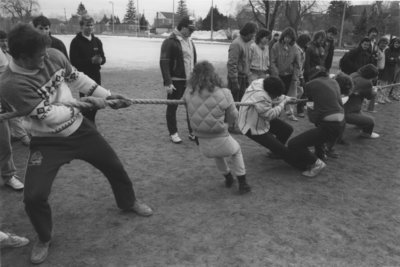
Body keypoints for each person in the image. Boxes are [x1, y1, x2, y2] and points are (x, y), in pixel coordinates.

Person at [0, 23, 152, 264]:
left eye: (44, 54)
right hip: (46, 140)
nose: (44, 61)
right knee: (33, 196)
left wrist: (106, 95)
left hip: (80, 130)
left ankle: (128, 201)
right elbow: (49, 117)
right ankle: (44, 236)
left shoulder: (52, 54)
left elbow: (77, 78)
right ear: (19, 57)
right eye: (38, 58)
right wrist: (91, 104)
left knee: (113, 165)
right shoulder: (10, 84)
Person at [183, 61, 251, 194]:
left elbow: (187, 107)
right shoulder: (224, 92)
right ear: (213, 74)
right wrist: (226, 124)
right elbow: (234, 115)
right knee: (236, 151)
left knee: (218, 154)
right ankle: (243, 183)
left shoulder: (188, 91)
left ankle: (228, 178)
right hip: (220, 137)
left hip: (201, 141)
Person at [238, 77, 307, 171]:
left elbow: (277, 95)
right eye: (274, 95)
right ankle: (303, 166)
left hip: (259, 116)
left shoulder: (261, 82)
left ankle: (275, 153)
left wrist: (287, 98)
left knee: (287, 130)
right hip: (251, 126)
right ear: (270, 92)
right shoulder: (261, 97)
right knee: (284, 151)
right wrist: (284, 103)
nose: (275, 97)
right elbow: (270, 115)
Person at [288, 67, 346, 177]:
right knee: (318, 131)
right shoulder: (334, 82)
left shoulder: (310, 85)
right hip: (341, 123)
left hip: (329, 126)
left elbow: (313, 117)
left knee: (293, 144)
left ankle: (317, 164)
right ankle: (321, 154)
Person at [160, 16, 196, 144]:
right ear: (183, 27)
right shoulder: (169, 41)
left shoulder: (190, 41)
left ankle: (193, 132)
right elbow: (164, 62)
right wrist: (168, 82)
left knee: (192, 107)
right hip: (176, 80)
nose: (192, 32)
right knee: (172, 107)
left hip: (190, 80)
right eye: (190, 29)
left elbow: (193, 61)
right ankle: (173, 133)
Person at [70, 14, 106, 124]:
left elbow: (103, 58)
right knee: (86, 105)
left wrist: (101, 61)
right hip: (83, 79)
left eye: (91, 25)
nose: (90, 27)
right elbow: (74, 62)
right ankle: (88, 125)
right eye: (87, 25)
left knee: (96, 104)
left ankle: (90, 123)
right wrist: (90, 61)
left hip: (96, 76)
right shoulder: (76, 42)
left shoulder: (97, 41)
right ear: (81, 27)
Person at [0, 30, 30, 146]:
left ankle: (17, 133)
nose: (4, 43)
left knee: (14, 111)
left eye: (6, 40)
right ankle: (23, 136)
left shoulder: (8, 53)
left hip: (11, 86)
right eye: (1, 41)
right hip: (4, 88)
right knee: (12, 111)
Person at [270, 27, 301, 121]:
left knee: (290, 95)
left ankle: (290, 113)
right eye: (286, 37)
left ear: (292, 39)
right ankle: (275, 113)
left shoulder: (295, 48)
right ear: (283, 36)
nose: (287, 39)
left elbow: (297, 64)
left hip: (290, 76)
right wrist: (276, 74)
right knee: (276, 95)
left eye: (290, 38)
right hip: (278, 75)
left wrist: (295, 76)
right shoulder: (276, 46)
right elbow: (272, 61)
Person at [344, 64, 380, 139]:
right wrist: (375, 91)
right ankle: (366, 134)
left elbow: (358, 89)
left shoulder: (353, 74)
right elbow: (369, 96)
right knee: (371, 121)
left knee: (361, 114)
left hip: (345, 108)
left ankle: (359, 124)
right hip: (348, 112)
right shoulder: (367, 83)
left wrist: (371, 89)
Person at [227, 22, 258, 102]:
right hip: (236, 78)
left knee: (242, 102)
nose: (253, 37)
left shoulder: (248, 43)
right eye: (253, 34)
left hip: (244, 78)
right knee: (234, 103)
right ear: (248, 32)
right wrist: (234, 81)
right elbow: (231, 64)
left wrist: (248, 76)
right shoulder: (236, 44)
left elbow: (247, 62)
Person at [295, 33, 311, 118]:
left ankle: (299, 109)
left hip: (300, 73)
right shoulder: (296, 49)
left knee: (302, 91)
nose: (308, 44)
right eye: (307, 42)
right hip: (296, 73)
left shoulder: (304, 49)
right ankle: (295, 108)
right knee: (300, 91)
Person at [375, 37, 390, 104]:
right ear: (379, 42)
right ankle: (374, 99)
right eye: (383, 43)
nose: (384, 45)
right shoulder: (376, 49)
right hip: (376, 69)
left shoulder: (383, 51)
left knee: (379, 85)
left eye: (386, 43)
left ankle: (378, 98)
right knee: (375, 85)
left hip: (381, 70)